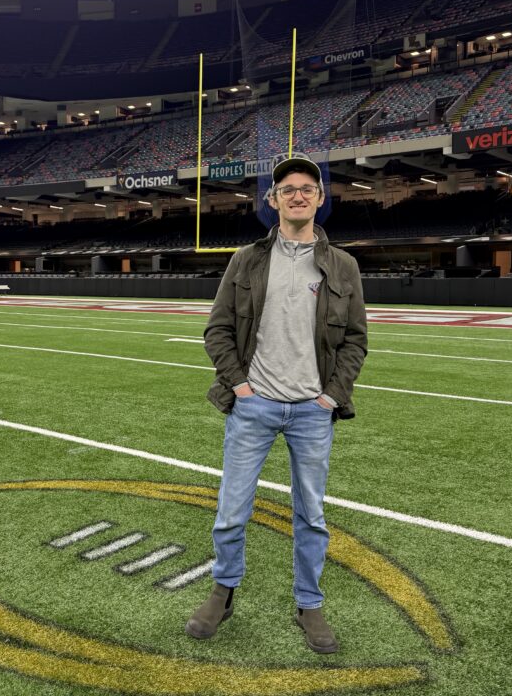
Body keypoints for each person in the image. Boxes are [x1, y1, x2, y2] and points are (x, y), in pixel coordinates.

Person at [185, 156, 368, 654]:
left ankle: (309, 604)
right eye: (287, 189)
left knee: (310, 515)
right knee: (231, 510)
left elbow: (355, 341)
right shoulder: (246, 260)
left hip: (313, 410)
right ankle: (223, 593)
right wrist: (241, 385)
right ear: (273, 200)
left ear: (320, 198)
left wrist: (332, 395)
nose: (298, 196)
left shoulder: (343, 265)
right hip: (255, 405)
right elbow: (217, 330)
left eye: (307, 188)